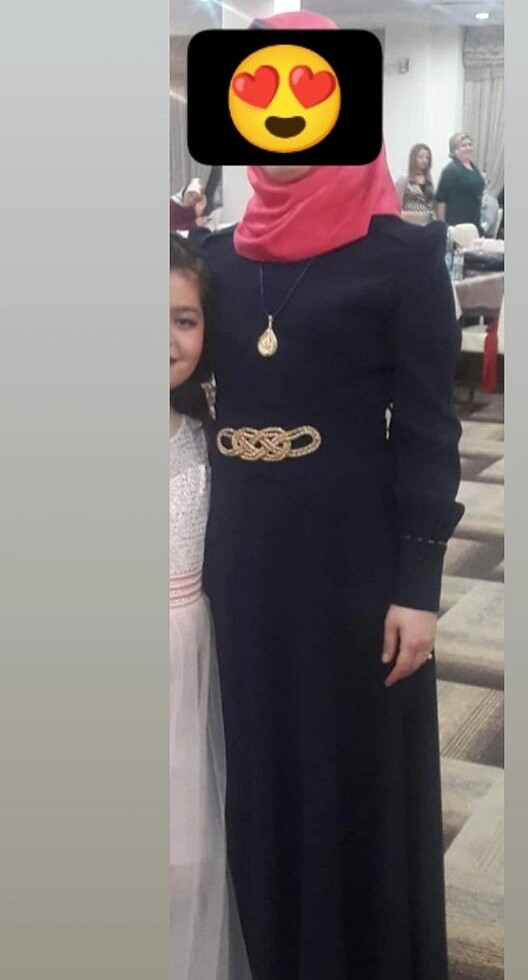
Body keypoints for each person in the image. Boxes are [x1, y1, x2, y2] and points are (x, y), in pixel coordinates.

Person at [198, 11, 465, 979]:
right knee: (259, 754)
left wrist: (418, 585)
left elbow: (431, 427)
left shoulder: (399, 255)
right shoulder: (216, 260)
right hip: (240, 550)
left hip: (352, 558)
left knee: (349, 760)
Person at [169, 234, 252, 980]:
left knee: (187, 850)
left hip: (186, 661)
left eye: (184, 320)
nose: (165, 340)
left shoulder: (207, 440)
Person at [435, 132, 485, 229]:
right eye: (464, 145)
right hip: (457, 223)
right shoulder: (450, 170)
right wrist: (442, 226)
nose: (468, 148)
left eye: (470, 145)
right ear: (455, 150)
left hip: (474, 222)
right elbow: (441, 200)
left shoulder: (474, 168)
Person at [395, 142, 436, 219]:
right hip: (409, 220)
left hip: (427, 221)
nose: (424, 160)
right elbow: (397, 203)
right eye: (421, 157)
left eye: (427, 158)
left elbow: (432, 204)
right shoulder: (404, 180)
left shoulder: (429, 182)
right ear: (414, 158)